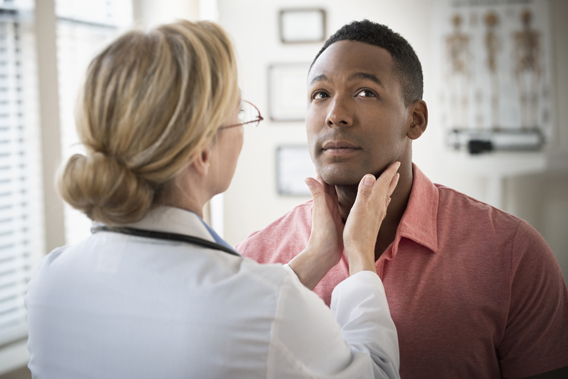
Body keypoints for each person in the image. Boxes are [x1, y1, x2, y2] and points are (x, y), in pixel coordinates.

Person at [24, 20, 403, 379]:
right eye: (237, 113)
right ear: (202, 153)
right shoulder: (263, 304)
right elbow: (379, 370)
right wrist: (360, 255)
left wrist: (317, 257)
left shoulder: (50, 279)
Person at [237, 20, 568, 379]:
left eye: (365, 92)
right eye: (320, 94)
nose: (335, 115)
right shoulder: (255, 260)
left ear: (415, 120)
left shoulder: (512, 253)